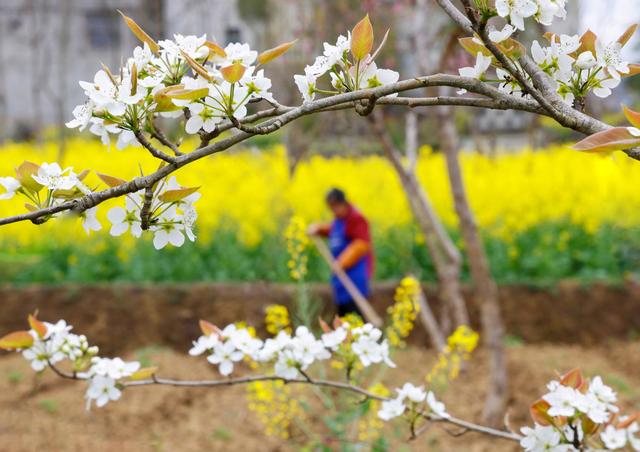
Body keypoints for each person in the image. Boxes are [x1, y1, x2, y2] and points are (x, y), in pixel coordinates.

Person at [308, 188, 374, 317]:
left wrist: (342, 262)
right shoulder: (339, 220)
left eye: (335, 207)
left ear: (342, 203)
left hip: (354, 279)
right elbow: (334, 232)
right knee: (343, 316)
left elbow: (361, 244)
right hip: (340, 280)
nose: (333, 211)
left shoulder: (356, 218)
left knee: (355, 315)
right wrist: (318, 229)